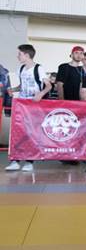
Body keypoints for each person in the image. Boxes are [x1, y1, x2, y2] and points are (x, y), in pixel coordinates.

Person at [6, 44, 51, 172]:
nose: (18, 56)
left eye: (19, 54)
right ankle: (15, 160)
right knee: (18, 132)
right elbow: (22, 85)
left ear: (26, 55)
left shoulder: (38, 68)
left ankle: (29, 161)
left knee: (31, 133)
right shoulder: (21, 69)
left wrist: (40, 94)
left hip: (34, 106)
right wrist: (13, 89)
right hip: (22, 104)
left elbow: (48, 86)